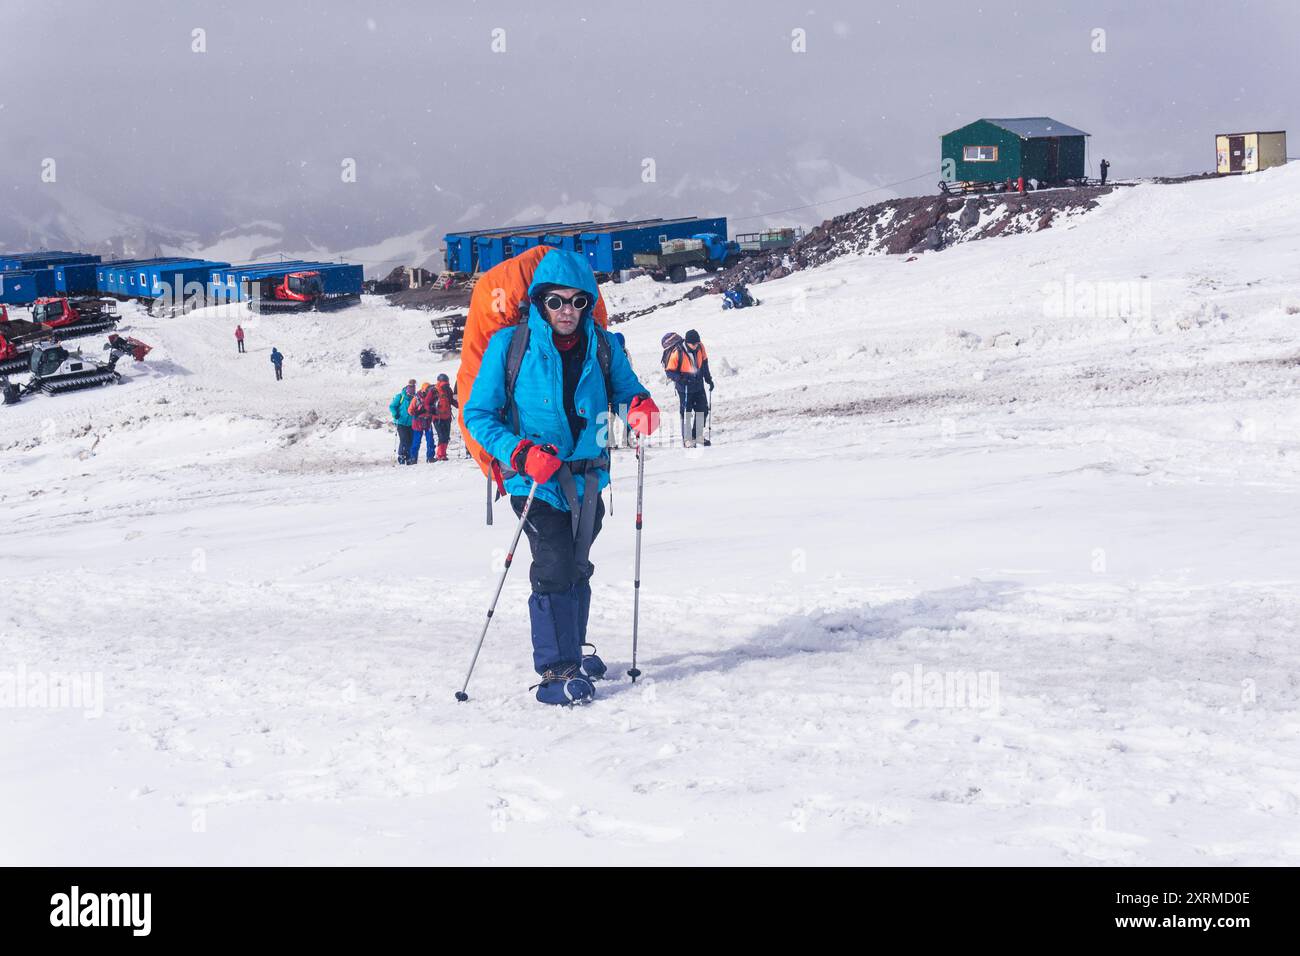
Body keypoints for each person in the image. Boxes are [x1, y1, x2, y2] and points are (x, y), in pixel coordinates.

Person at [464, 248, 659, 705]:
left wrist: (641, 408)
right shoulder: (509, 347)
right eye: (555, 301)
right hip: (533, 480)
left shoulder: (606, 346)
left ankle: (572, 649)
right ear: (539, 302)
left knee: (577, 564)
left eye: (577, 301)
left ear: (589, 303)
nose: (566, 311)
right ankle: (556, 669)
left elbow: (628, 392)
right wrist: (519, 452)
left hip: (589, 479)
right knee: (553, 565)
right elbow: (478, 415)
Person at [663, 328, 713, 447]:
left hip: (698, 385)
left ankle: (698, 435)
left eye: (697, 343)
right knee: (686, 413)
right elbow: (669, 371)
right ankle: (687, 439)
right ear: (687, 342)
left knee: (703, 409)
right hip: (684, 388)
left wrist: (708, 379)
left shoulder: (700, 347)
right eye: (693, 343)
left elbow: (704, 364)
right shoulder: (678, 352)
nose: (695, 345)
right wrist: (680, 378)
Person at [431, 373, 457, 461]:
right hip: (437, 418)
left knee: (446, 436)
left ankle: (442, 454)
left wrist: (460, 405)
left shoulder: (448, 390)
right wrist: (433, 411)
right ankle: (440, 454)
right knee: (442, 436)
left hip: (447, 417)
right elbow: (427, 403)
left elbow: (451, 400)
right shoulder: (434, 390)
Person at [408, 381, 436, 463]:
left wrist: (433, 410)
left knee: (430, 440)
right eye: (428, 389)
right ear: (424, 390)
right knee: (416, 441)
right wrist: (418, 412)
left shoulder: (432, 398)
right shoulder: (416, 398)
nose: (430, 391)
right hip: (418, 422)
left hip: (427, 421)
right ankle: (413, 458)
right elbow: (410, 410)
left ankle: (430, 457)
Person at [390, 378, 416, 464]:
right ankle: (402, 456)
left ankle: (408, 456)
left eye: (413, 386)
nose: (412, 389)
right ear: (407, 387)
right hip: (400, 422)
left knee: (410, 440)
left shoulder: (415, 397)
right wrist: (395, 414)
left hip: (411, 423)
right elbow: (392, 406)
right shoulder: (400, 396)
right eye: (410, 386)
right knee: (404, 439)